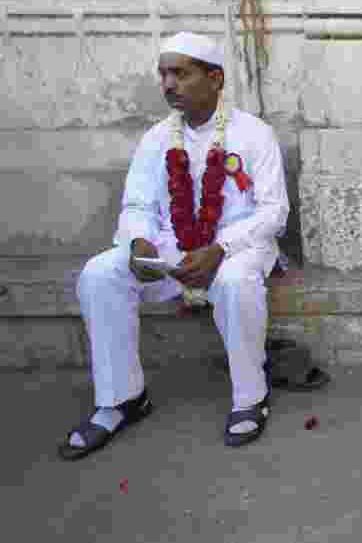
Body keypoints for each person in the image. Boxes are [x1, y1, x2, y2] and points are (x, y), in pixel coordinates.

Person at [59, 32, 290, 459]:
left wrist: (220, 248)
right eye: (163, 74)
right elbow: (138, 203)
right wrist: (138, 240)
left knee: (238, 281)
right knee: (101, 274)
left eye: (180, 74)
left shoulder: (255, 135)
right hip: (171, 247)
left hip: (237, 247)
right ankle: (122, 399)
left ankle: (250, 398)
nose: (168, 85)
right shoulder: (156, 138)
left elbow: (274, 212)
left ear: (215, 78)